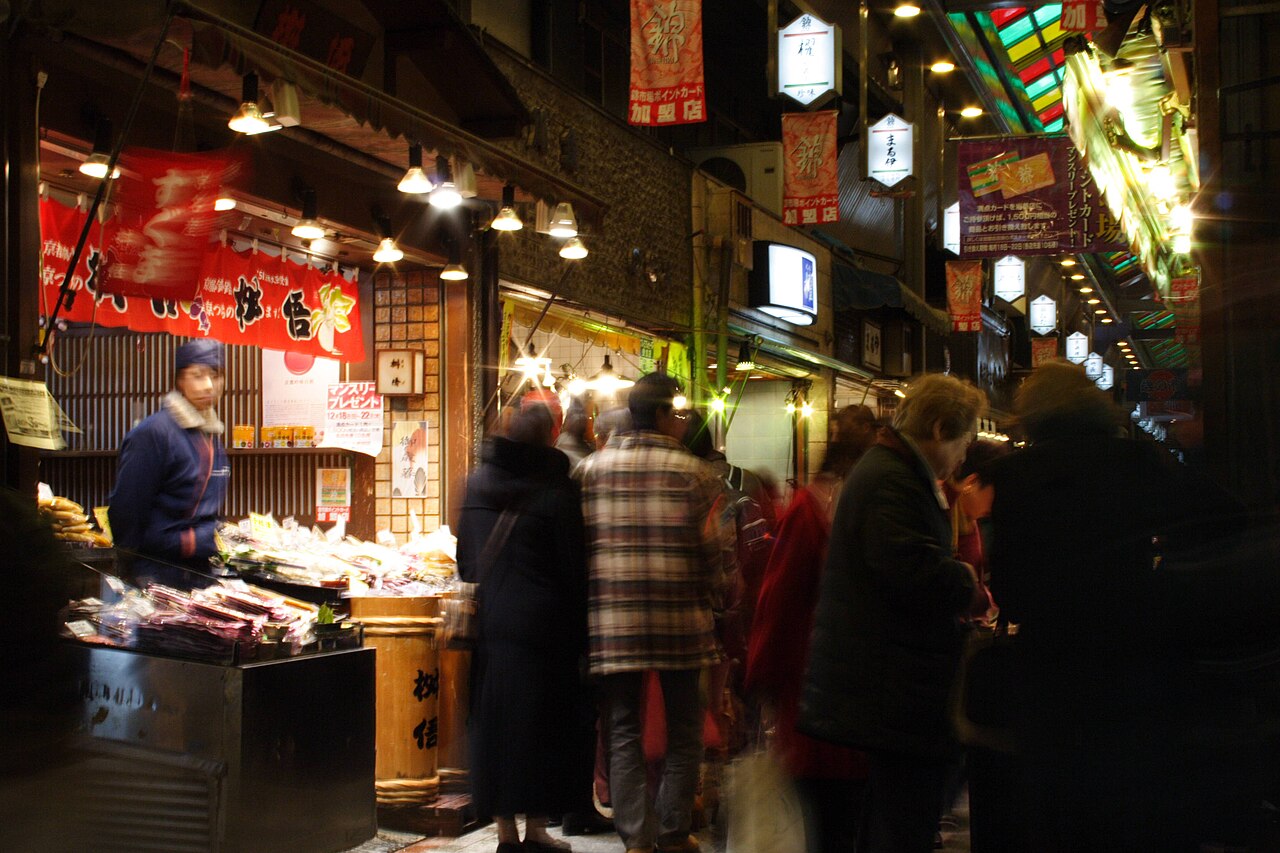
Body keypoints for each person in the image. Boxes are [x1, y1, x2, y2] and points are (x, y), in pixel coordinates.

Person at [982, 360, 1246, 852]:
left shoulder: (1015, 475)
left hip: (1049, 670)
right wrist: (1161, 574)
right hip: (1132, 664)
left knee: (1055, 809)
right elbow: (1225, 515)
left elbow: (1012, 586)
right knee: (1125, 804)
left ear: (1032, 413)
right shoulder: (1136, 462)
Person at [799, 373, 989, 853]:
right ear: (942, 427)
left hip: (890, 680)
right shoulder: (891, 478)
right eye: (964, 439)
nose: (965, 453)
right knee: (901, 821)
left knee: (892, 815)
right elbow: (912, 570)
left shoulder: (895, 471)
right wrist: (968, 584)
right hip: (891, 683)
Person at [581, 372, 726, 853]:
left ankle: (636, 840)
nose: (683, 423)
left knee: (622, 729)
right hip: (680, 622)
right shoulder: (695, 473)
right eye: (679, 414)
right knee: (685, 731)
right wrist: (720, 597)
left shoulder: (590, 473)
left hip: (613, 622)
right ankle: (672, 832)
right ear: (662, 414)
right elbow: (711, 553)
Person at [457, 398, 592, 853]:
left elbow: (466, 562)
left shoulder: (478, 482)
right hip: (545, 629)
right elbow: (574, 565)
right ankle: (536, 830)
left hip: (492, 626)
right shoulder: (555, 485)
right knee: (541, 729)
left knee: (495, 726)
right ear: (550, 435)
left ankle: (505, 834)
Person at [744, 432, 870, 853]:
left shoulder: (819, 509)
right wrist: (763, 675)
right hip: (816, 691)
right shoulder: (811, 511)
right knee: (828, 820)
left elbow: (776, 598)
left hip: (827, 692)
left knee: (834, 819)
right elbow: (778, 600)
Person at [108, 338, 230, 589]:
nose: (208, 385)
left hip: (199, 571)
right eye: (197, 375)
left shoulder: (210, 432)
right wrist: (131, 564)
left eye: (216, 376)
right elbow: (126, 508)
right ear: (179, 380)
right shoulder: (154, 432)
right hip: (157, 572)